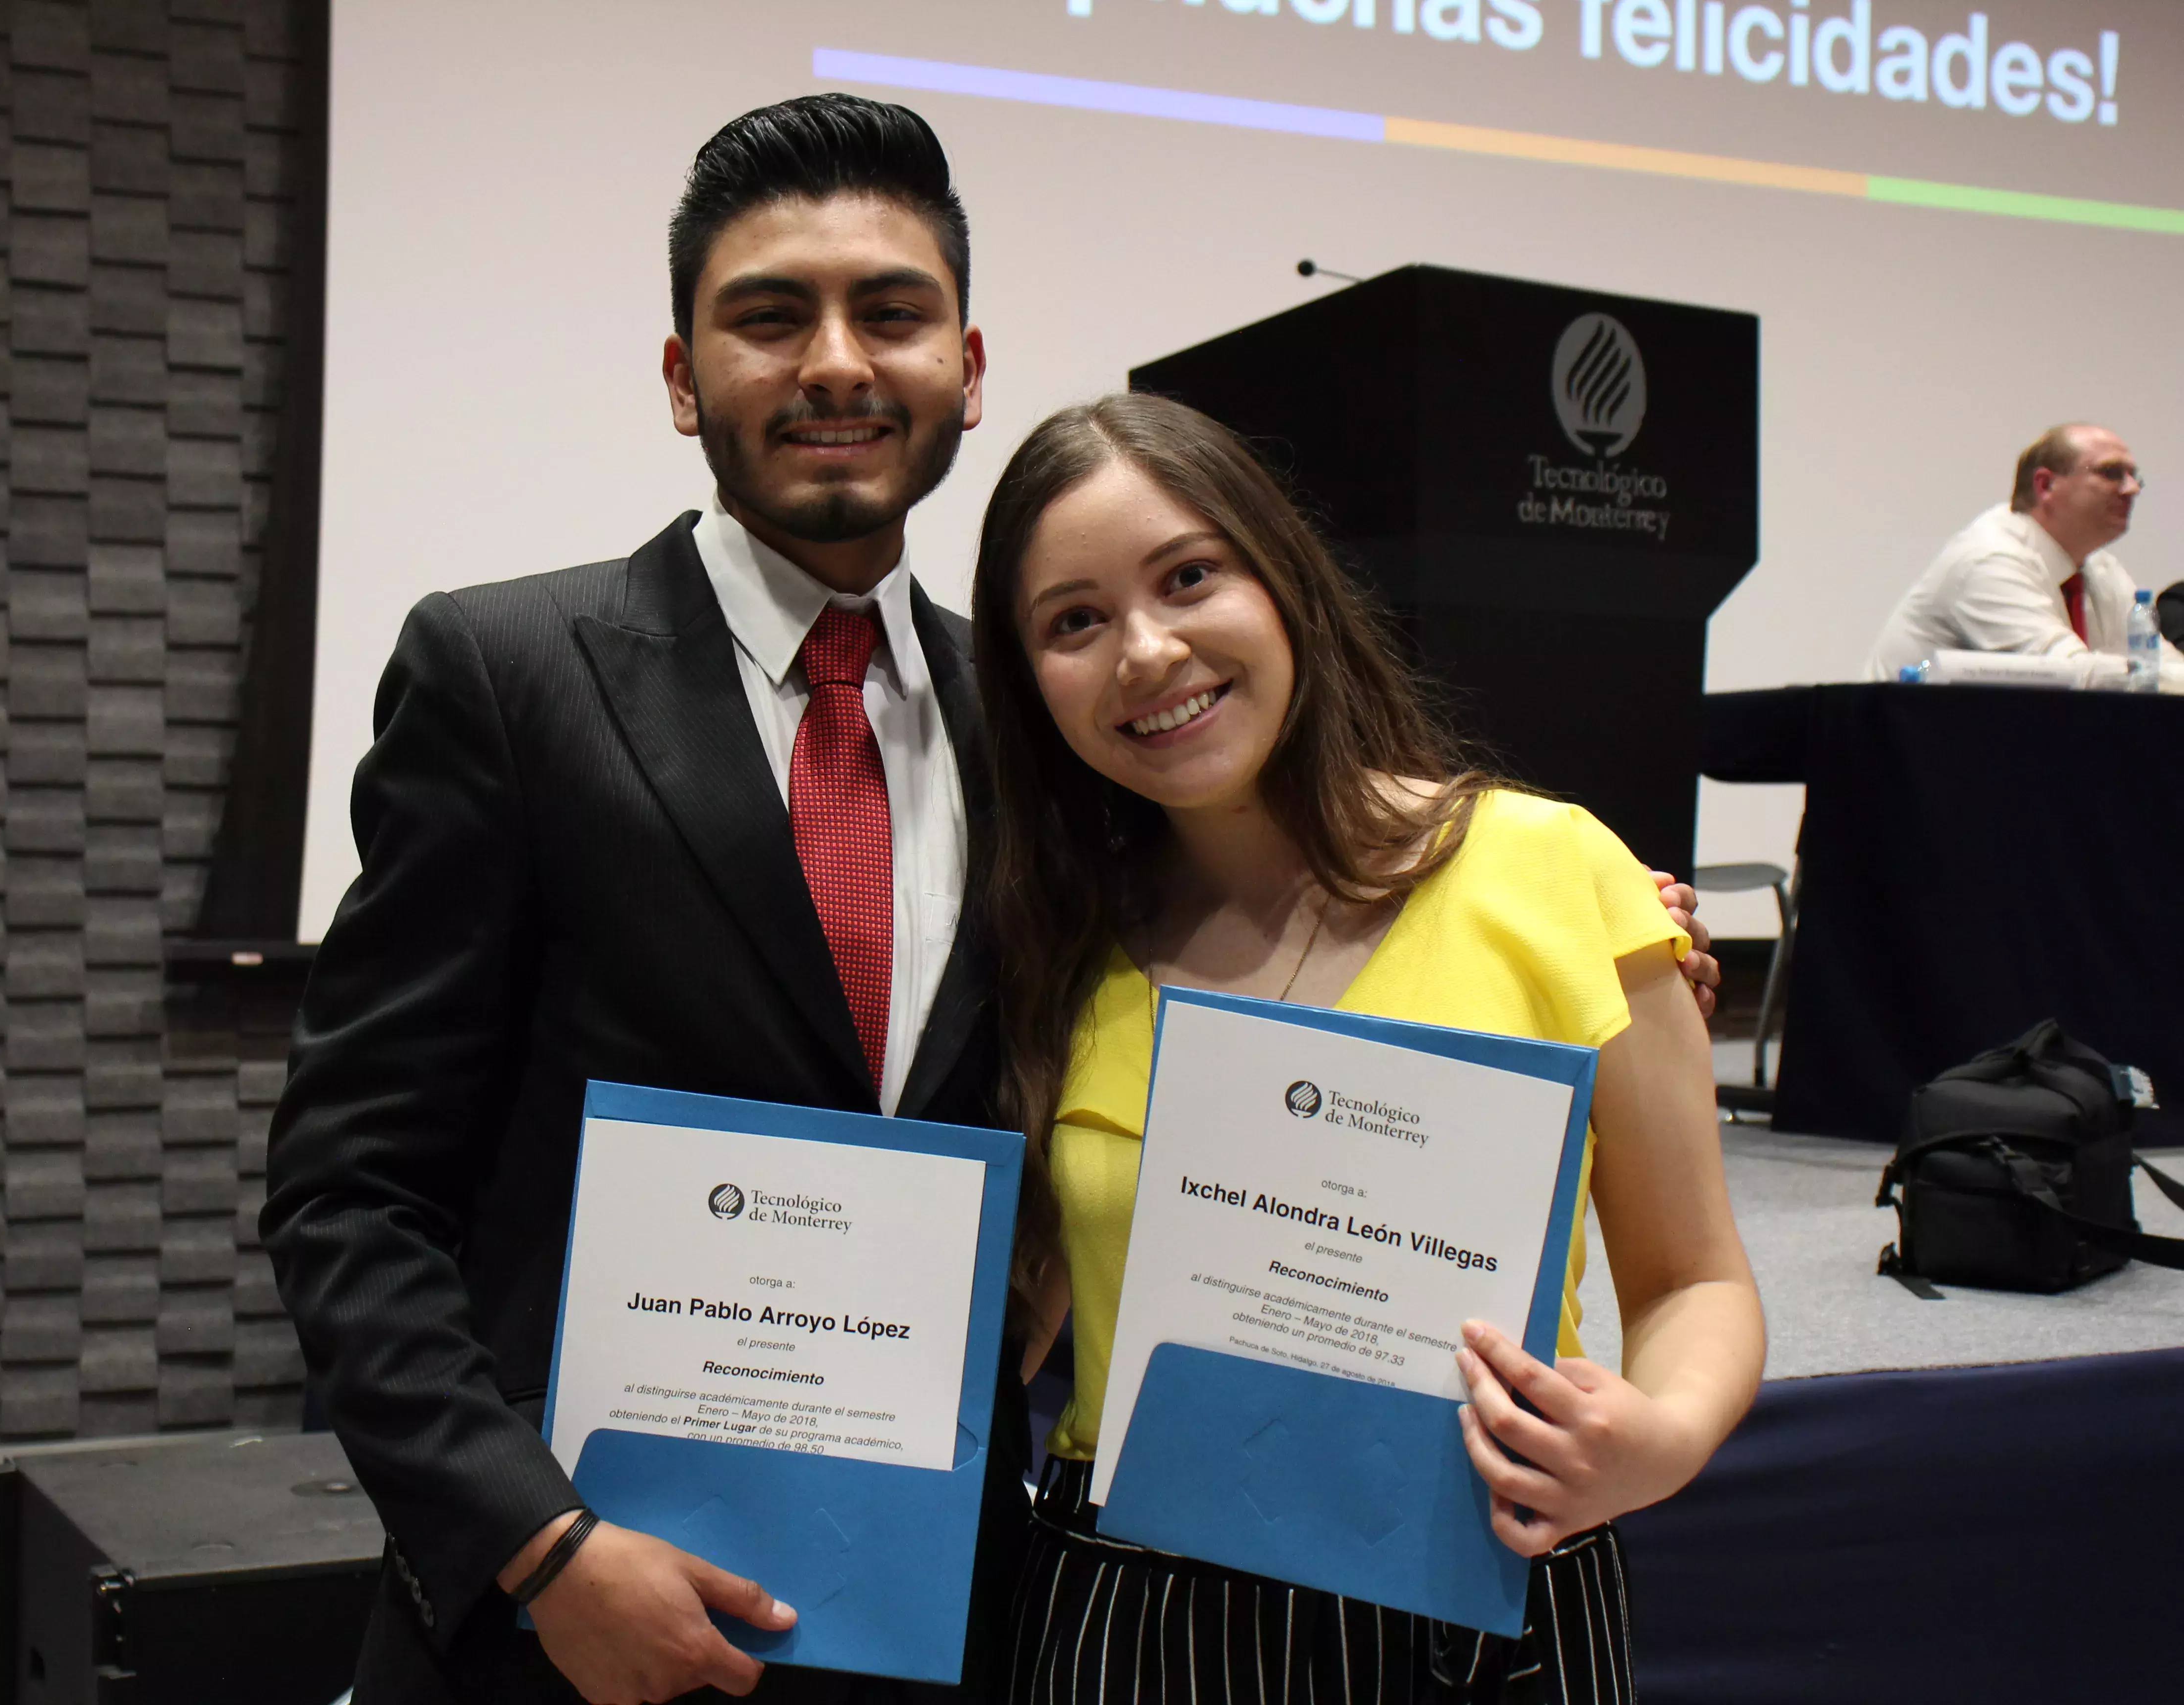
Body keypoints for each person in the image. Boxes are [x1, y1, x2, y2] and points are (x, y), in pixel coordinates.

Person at [264, 95, 1717, 1705]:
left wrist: (1607, 916)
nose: (833, 361)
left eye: (889, 312)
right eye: (766, 316)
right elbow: (353, 1188)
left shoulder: (1046, 731)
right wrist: (533, 1544)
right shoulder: (504, 672)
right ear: (681, 380)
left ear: (964, 364)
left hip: (957, 1622)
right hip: (576, 1622)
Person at [967, 394, 1766, 1705]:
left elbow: (1693, 1282)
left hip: (1486, 1593)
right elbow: (1022, 1320)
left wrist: (1660, 1438)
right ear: (1030, 683)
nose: (1148, 651)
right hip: (1140, 1611)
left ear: (1284, 581)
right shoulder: (1055, 954)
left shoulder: (1553, 871)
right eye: (1075, 621)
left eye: (1189, 576)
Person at [1867, 423, 2182, 686]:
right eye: (2111, 473)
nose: (2132, 489)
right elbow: (2071, 675)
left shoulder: (2101, 569)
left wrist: (2149, 674)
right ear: (2045, 485)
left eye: (2133, 476)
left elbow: (2158, 662)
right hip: (1902, 750)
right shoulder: (1988, 558)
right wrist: (2147, 674)